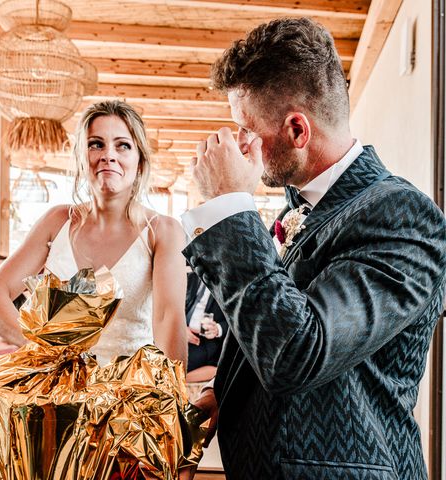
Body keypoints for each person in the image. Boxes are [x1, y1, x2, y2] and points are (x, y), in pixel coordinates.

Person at [183, 17, 446, 480]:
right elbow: (276, 316)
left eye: (246, 127)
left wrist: (229, 208)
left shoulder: (404, 216)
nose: (240, 142)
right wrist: (225, 392)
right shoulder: (302, 206)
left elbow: (299, 351)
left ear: (297, 131)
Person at [0, 100, 187, 367]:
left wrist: (172, 401)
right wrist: (45, 353)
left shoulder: (162, 231)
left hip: (128, 396)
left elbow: (168, 320)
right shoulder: (57, 221)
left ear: (140, 160)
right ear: (81, 157)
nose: (108, 155)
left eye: (123, 145)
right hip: (55, 391)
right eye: (96, 144)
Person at [185, 271, 227, 383]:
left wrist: (218, 328)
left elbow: (239, 320)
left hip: (205, 341)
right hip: (183, 331)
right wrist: (181, 328)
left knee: (176, 362)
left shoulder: (229, 284)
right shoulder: (191, 276)